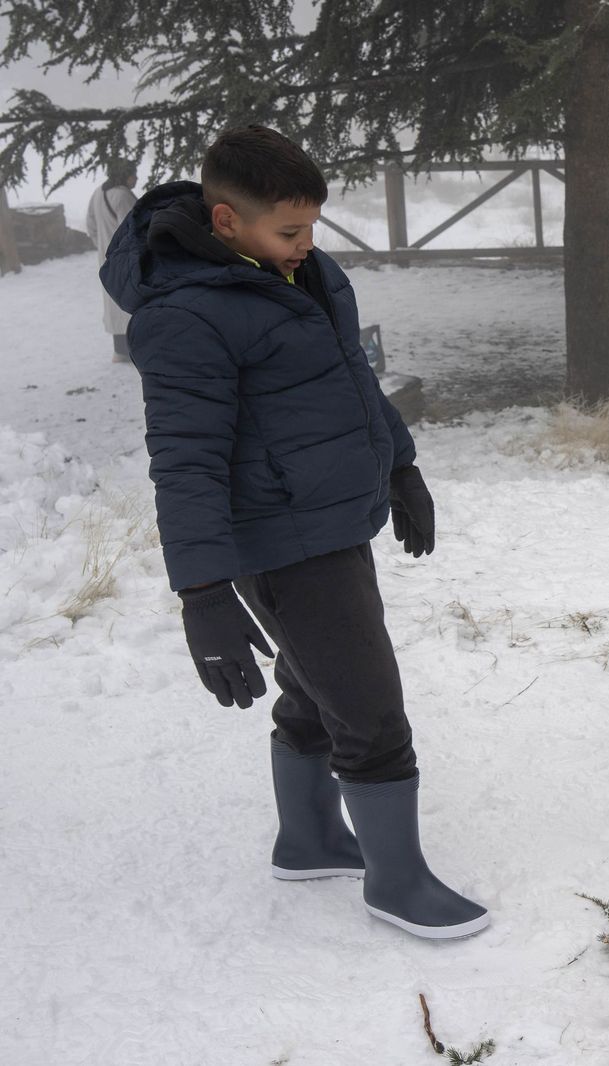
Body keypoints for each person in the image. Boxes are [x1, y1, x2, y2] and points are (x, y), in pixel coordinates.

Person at [98, 125, 488, 940]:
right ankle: (396, 881)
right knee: (369, 709)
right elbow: (186, 462)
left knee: (317, 685)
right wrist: (203, 593)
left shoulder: (298, 272)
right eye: (289, 230)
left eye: (312, 225)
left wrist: (400, 466)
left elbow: (351, 378)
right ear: (226, 221)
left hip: (330, 522)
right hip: (280, 542)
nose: (307, 243)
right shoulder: (185, 318)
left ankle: (308, 840)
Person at [84, 159, 139, 361]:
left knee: (114, 304)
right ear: (125, 175)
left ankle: (120, 350)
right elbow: (132, 228)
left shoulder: (98, 192)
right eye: (133, 174)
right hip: (125, 258)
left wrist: (102, 245)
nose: (136, 178)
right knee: (130, 302)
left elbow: (90, 225)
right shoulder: (122, 195)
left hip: (106, 258)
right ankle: (133, 350)